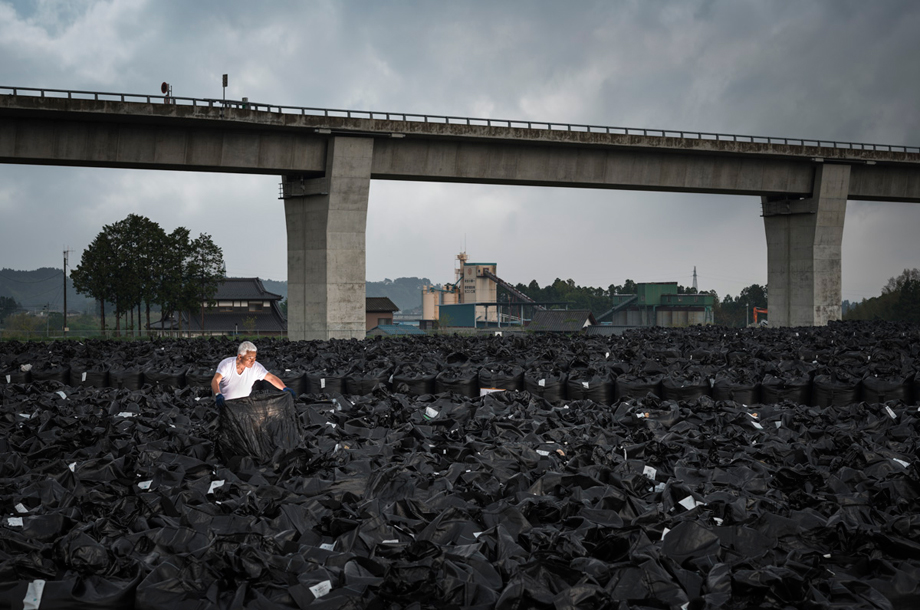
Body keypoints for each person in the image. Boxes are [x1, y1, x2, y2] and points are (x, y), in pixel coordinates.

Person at [211, 341, 295, 407]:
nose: (253, 361)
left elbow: (271, 378)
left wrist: (284, 388)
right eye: (250, 358)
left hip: (244, 405)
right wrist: (218, 394)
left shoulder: (256, 367)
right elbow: (215, 380)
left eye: (254, 358)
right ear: (240, 357)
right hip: (225, 405)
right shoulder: (227, 365)